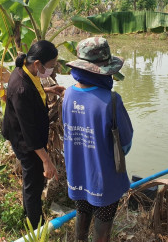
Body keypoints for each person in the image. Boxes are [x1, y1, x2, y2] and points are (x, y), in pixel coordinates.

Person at [62, 37, 133, 242]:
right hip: (104, 179)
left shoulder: (68, 94)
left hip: (77, 174)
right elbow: (125, 144)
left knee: (82, 211)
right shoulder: (111, 100)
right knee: (103, 218)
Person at [2, 40, 65, 229]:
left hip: (26, 134)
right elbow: (28, 132)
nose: (52, 71)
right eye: (51, 66)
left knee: (32, 179)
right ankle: (36, 227)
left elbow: (33, 91)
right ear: (37, 63)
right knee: (34, 183)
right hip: (24, 141)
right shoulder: (21, 88)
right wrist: (46, 160)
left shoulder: (25, 70)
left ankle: (29, 213)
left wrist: (49, 90)